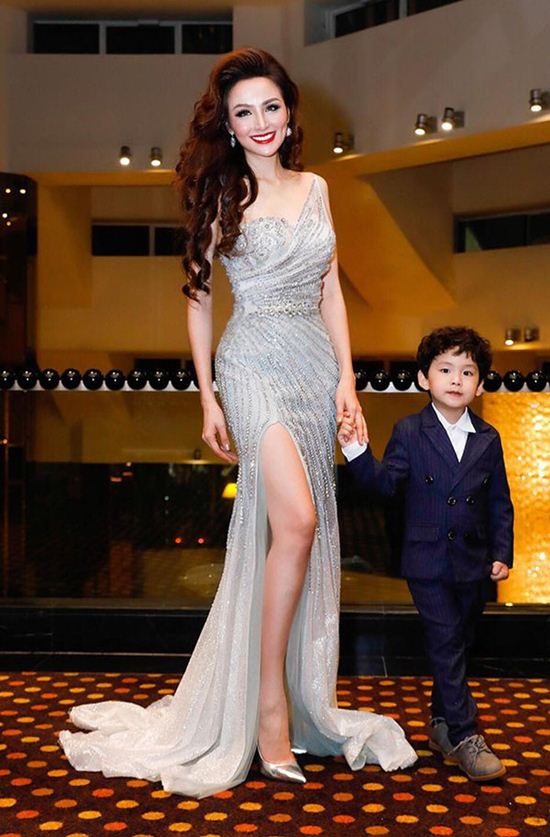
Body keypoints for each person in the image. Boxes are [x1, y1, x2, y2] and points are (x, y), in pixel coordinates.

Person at [58, 47, 417, 798]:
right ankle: (267, 702)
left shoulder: (317, 187)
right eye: (243, 111)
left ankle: (280, 690)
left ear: (290, 112)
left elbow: (330, 289)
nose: (259, 122)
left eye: (270, 107)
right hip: (252, 362)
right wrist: (207, 395)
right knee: (301, 521)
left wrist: (347, 379)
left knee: (294, 532)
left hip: (313, 367)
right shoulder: (222, 193)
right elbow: (197, 297)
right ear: (226, 123)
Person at [338, 326, 514, 782]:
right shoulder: (411, 431)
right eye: (445, 369)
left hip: (473, 561)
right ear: (424, 378)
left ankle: (440, 723)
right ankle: (465, 734)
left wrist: (502, 551)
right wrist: (356, 450)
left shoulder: (489, 438)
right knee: (446, 640)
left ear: (480, 385)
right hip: (428, 560)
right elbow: (385, 485)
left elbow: (499, 501)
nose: (456, 379)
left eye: (467, 372)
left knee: (460, 642)